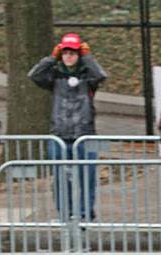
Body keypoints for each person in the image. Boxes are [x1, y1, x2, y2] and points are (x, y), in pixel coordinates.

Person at [28, 33, 107, 222]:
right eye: (65, 52)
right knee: (60, 178)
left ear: (79, 54)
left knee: (87, 177)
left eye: (72, 52)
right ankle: (65, 213)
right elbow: (34, 75)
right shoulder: (55, 76)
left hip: (85, 135)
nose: (68, 56)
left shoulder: (88, 76)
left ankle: (85, 213)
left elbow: (101, 75)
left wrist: (87, 58)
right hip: (60, 135)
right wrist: (51, 59)